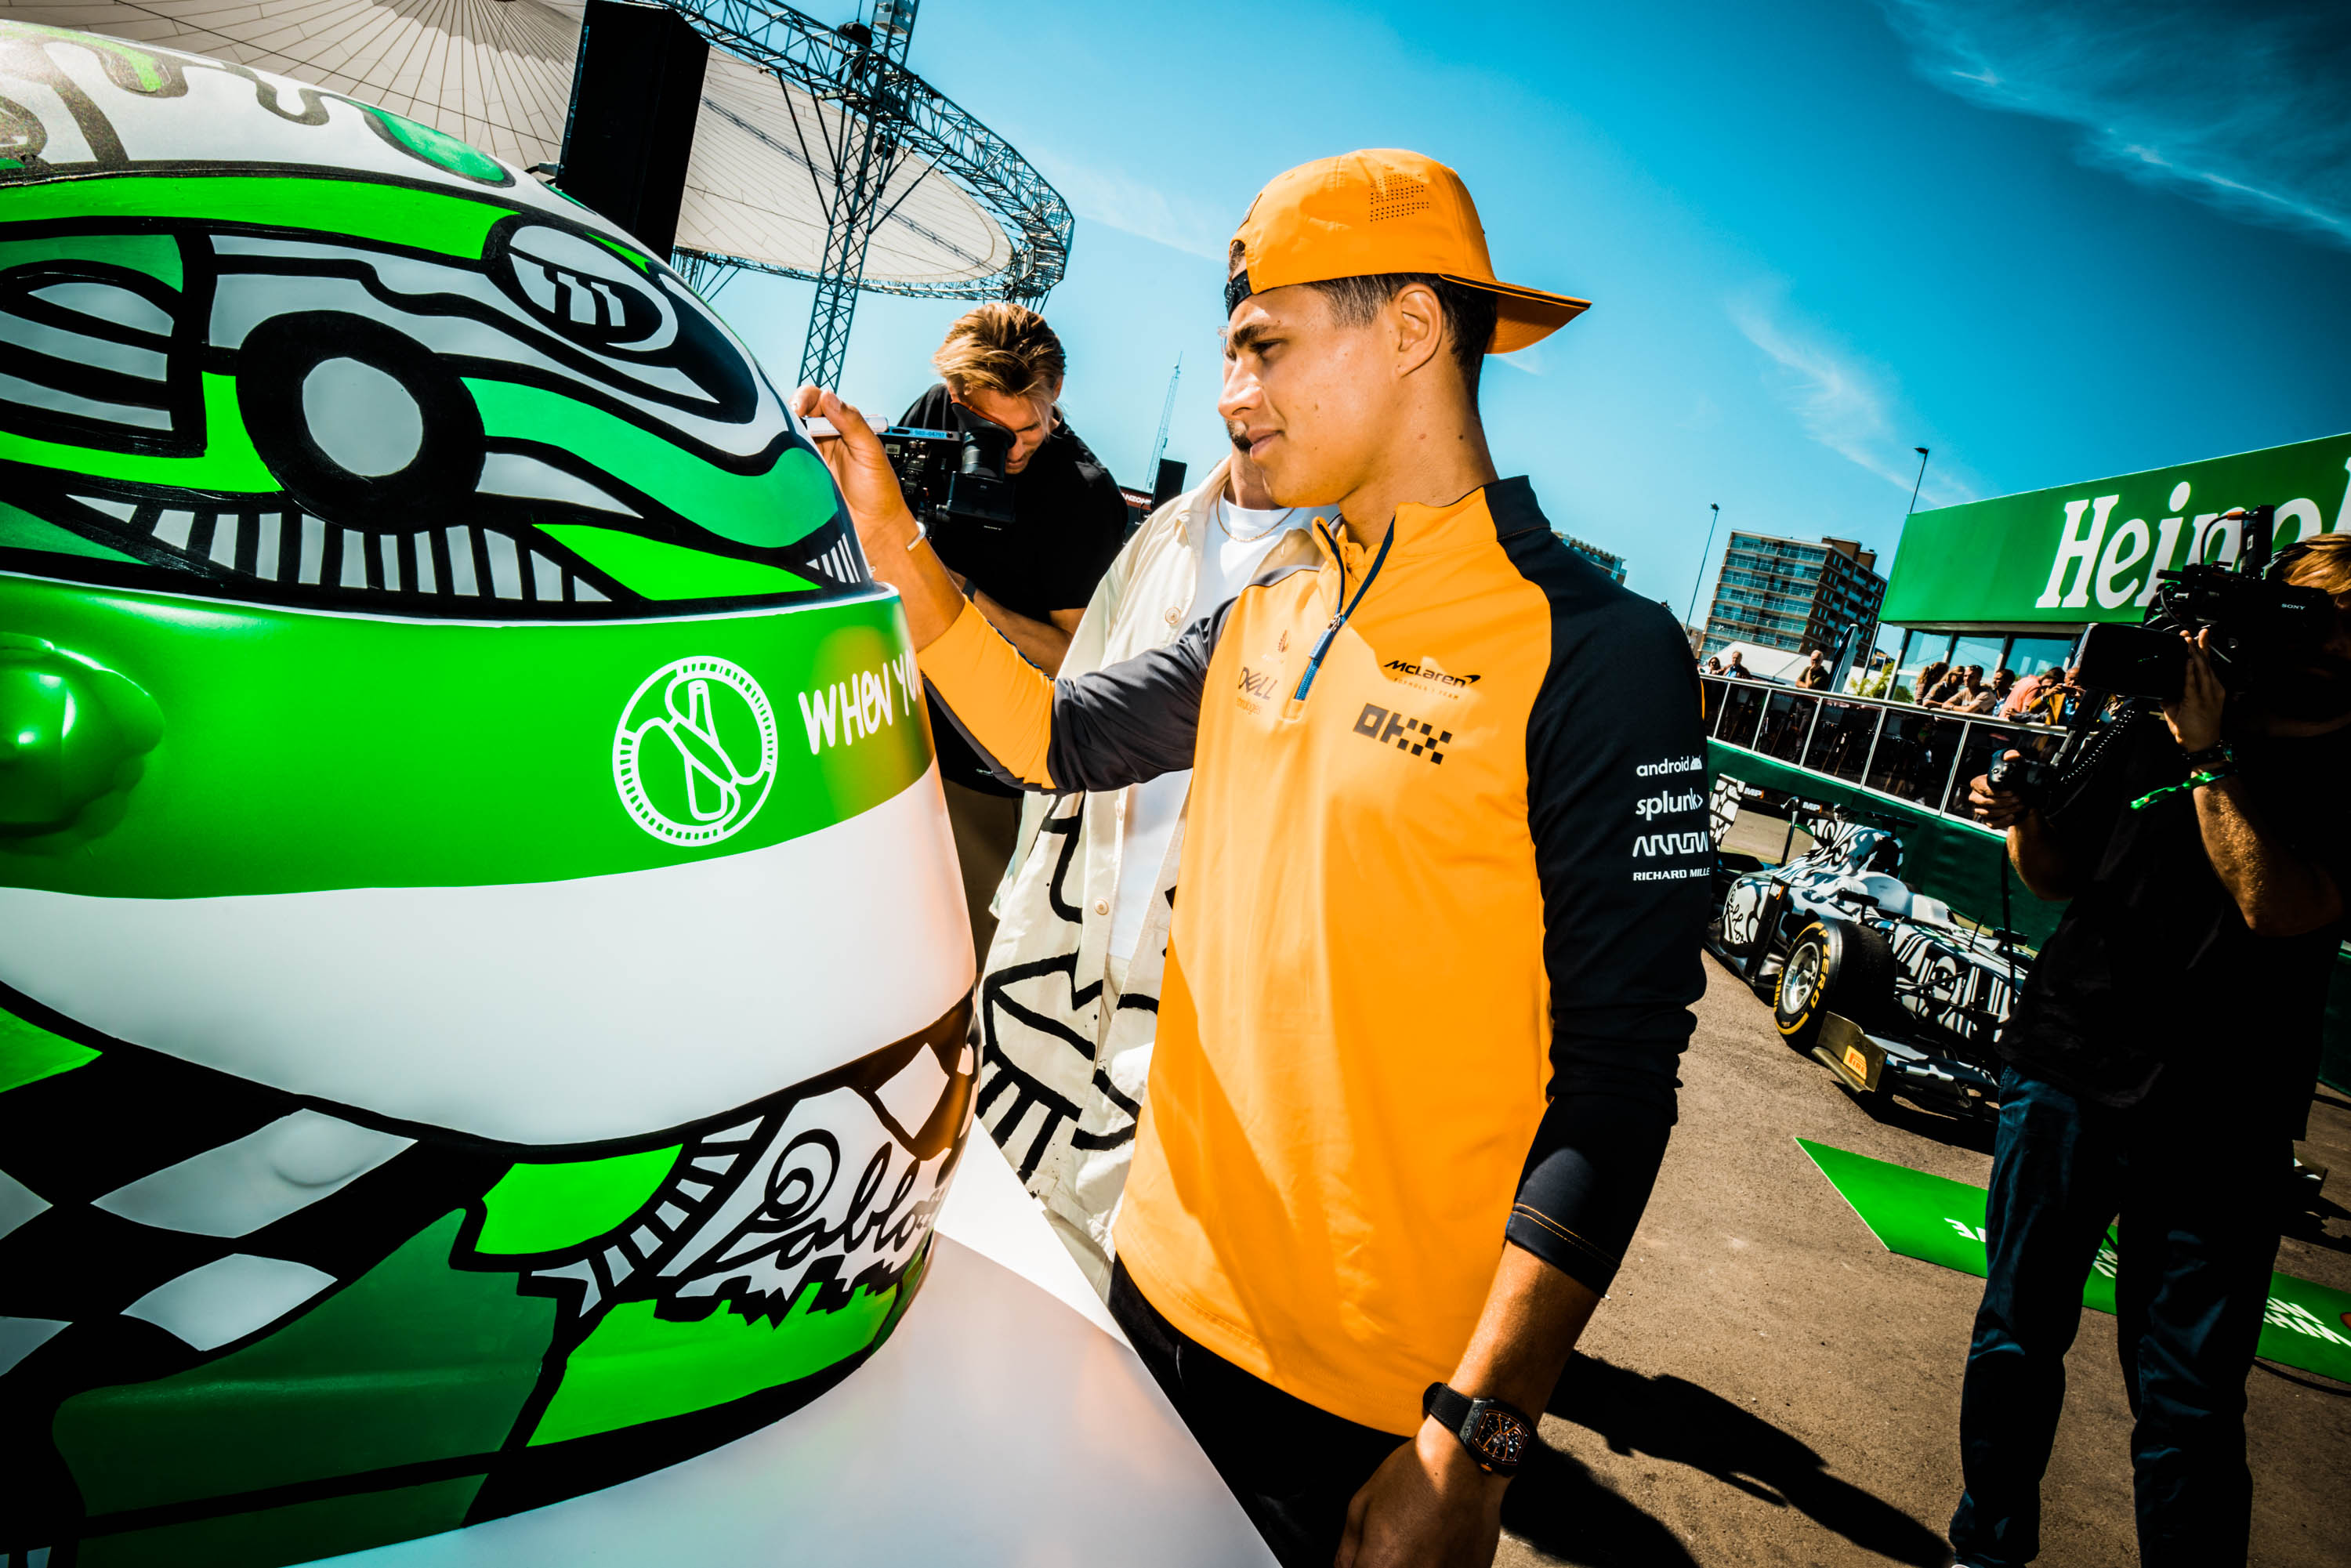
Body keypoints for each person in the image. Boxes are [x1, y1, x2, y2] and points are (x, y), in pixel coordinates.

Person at [799, 148, 1708, 1568]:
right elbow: (1052, 736)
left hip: (1361, 1410)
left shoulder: (1605, 654)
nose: (1232, 394)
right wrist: (894, 539)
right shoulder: (1278, 600)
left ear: (1411, 329)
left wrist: (1473, 1446)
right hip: (1142, 1300)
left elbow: (1619, 1087)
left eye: (1263, 347)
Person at [1954, 534, 2351, 1567]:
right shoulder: (2161, 710)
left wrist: (2211, 756)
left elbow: (2279, 906)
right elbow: (2055, 874)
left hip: (2226, 1119)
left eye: (2347, 624)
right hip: (2068, 1073)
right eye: (2311, 614)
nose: (2329, 642)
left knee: (2189, 1402)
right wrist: (2021, 814)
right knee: (2014, 1335)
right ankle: (1987, 1549)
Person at [975, 436, 1321, 1291]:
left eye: (1273, 366)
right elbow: (1072, 704)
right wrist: (1022, 885)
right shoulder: (1164, 531)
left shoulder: (1348, 572)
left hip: (1189, 996)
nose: (1245, 390)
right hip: (1061, 952)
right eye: (1237, 365)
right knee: (987, 1223)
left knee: (1121, 1279)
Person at [899, 303, 1130, 960]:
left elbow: (1075, 660)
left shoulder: (1084, 496)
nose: (1013, 448)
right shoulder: (936, 416)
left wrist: (960, 597)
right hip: (886, 729)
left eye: (1030, 428)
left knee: (952, 959)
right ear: (956, 396)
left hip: (982, 771)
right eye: (988, 429)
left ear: (1055, 395)